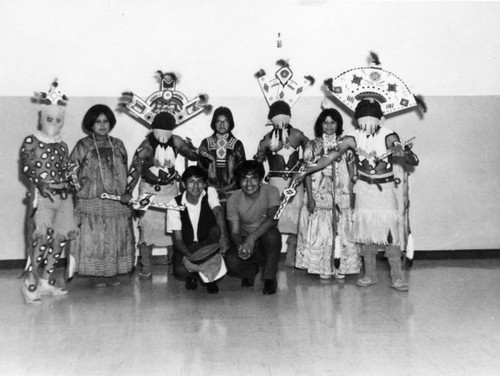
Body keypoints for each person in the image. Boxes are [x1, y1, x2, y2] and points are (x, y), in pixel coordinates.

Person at [298, 99, 418, 291]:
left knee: (390, 235)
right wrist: (307, 170)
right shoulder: (352, 138)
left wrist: (403, 152)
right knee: (365, 234)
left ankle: (397, 276)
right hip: (363, 190)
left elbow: (413, 160)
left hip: (384, 192)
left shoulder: (389, 135)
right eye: (363, 121)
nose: (366, 126)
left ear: (380, 119)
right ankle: (370, 274)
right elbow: (328, 157)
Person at [120, 111, 200, 279]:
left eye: (167, 128)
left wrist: (199, 153)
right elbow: (135, 170)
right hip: (148, 191)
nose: (164, 132)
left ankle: (174, 264)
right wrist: (128, 191)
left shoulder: (176, 141)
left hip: (170, 189)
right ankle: (146, 266)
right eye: (161, 128)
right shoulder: (146, 146)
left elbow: (191, 153)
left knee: (172, 228)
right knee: (146, 230)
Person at [20, 83, 77, 304]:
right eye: (50, 119)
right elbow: (27, 166)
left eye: (58, 120)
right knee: (40, 239)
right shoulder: (31, 141)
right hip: (43, 197)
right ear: (42, 118)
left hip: (64, 197)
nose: (53, 123)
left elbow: (67, 168)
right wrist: (40, 183)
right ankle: (30, 281)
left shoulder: (61, 145)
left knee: (60, 239)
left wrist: (75, 182)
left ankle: (46, 278)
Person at [69, 104, 135, 287]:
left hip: (116, 200)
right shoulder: (83, 145)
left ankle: (111, 273)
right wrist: (80, 191)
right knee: (95, 237)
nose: (102, 125)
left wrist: (127, 192)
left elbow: (125, 170)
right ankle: (97, 274)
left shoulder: (118, 144)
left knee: (115, 236)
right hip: (92, 200)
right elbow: (71, 171)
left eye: (106, 121)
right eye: (98, 121)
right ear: (91, 124)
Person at [296, 108, 361, 280]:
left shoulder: (345, 144)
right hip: (319, 194)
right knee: (322, 232)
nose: (329, 126)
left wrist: (353, 195)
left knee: (341, 230)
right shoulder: (312, 145)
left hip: (341, 194)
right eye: (326, 122)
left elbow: (352, 171)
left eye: (333, 122)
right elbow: (307, 173)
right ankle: (324, 267)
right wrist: (310, 197)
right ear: (320, 124)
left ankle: (341, 266)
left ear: (338, 124)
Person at [254, 100, 309, 267]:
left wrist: (304, 162)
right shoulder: (266, 140)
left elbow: (312, 151)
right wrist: (259, 159)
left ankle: (292, 254)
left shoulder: (298, 135)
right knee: (273, 217)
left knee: (297, 218)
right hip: (275, 183)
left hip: (295, 182)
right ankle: (272, 255)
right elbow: (259, 160)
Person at [166, 166, 229, 294]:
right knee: (180, 269)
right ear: (183, 184)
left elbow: (218, 212)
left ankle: (212, 279)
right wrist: (191, 257)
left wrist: (223, 237)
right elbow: (178, 239)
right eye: (191, 182)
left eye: (199, 181)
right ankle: (193, 275)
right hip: (187, 245)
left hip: (207, 243)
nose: (196, 186)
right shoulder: (174, 203)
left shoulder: (210, 192)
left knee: (217, 230)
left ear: (204, 183)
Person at [224, 160, 282, 295]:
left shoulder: (271, 190)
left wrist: (252, 237)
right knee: (231, 261)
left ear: (261, 180)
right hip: (245, 239)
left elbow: (273, 219)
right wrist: (241, 246)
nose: (249, 184)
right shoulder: (233, 199)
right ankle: (250, 272)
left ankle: (269, 277)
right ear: (239, 181)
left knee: (272, 236)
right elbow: (234, 232)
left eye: (253, 178)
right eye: (244, 179)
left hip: (264, 238)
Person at [197, 106, 246, 204]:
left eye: (225, 121)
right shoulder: (206, 143)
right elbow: (200, 169)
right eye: (218, 121)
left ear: (230, 123)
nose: (222, 124)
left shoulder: (236, 144)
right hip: (210, 190)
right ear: (214, 124)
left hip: (232, 190)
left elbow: (241, 169)